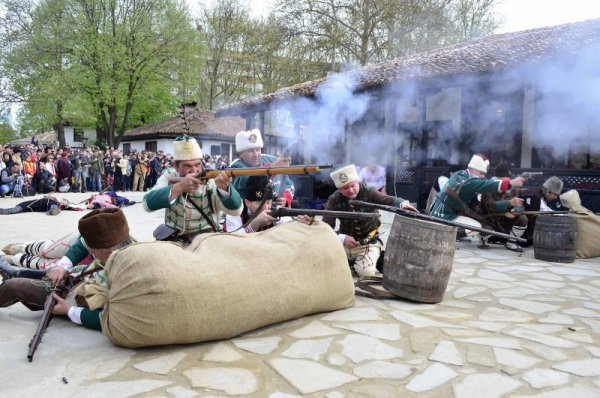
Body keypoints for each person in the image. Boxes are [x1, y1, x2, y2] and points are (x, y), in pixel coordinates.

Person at [0, 208, 132, 331]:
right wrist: (62, 266)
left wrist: (69, 311)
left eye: (93, 251)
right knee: (52, 272)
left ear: (109, 252)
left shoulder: (128, 276)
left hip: (75, 298)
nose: (90, 251)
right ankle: (13, 272)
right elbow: (82, 244)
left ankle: (12, 274)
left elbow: (112, 319)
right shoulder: (121, 242)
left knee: (14, 286)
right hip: (80, 280)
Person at [322, 164, 418, 277]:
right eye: (345, 188)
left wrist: (402, 204)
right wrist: (342, 238)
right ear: (339, 189)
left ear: (357, 182)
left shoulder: (368, 192)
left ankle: (373, 258)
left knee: (365, 273)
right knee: (325, 264)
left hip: (368, 242)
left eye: (353, 185)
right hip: (344, 243)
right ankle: (352, 261)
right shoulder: (334, 199)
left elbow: (387, 200)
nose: (351, 190)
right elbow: (325, 228)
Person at [143, 135, 243, 244]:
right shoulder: (169, 176)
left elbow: (236, 210)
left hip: (207, 240)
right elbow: (147, 204)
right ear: (176, 166)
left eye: (197, 165)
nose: (194, 171)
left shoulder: (211, 179)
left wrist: (225, 188)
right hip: (174, 240)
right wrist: (179, 187)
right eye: (187, 166)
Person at [429, 153, 525, 248]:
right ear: (472, 170)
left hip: (453, 212)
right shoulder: (465, 179)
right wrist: (511, 182)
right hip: (442, 214)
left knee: (483, 226)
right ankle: (448, 235)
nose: (483, 176)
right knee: (477, 228)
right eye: (481, 173)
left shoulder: (463, 175)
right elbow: (485, 188)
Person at [229, 129, 295, 207]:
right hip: (249, 213)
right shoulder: (236, 166)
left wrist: (286, 198)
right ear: (240, 154)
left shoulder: (272, 160)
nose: (255, 154)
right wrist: (269, 169)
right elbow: (246, 180)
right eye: (250, 151)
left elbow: (288, 183)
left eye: (258, 150)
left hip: (275, 210)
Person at [478, 164, 528, 252]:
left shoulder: (512, 189)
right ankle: (483, 239)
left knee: (523, 219)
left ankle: (511, 241)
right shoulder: (488, 186)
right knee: (485, 228)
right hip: (488, 219)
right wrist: (509, 203)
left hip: (504, 220)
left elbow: (520, 205)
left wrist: (514, 211)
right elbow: (490, 206)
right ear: (498, 178)